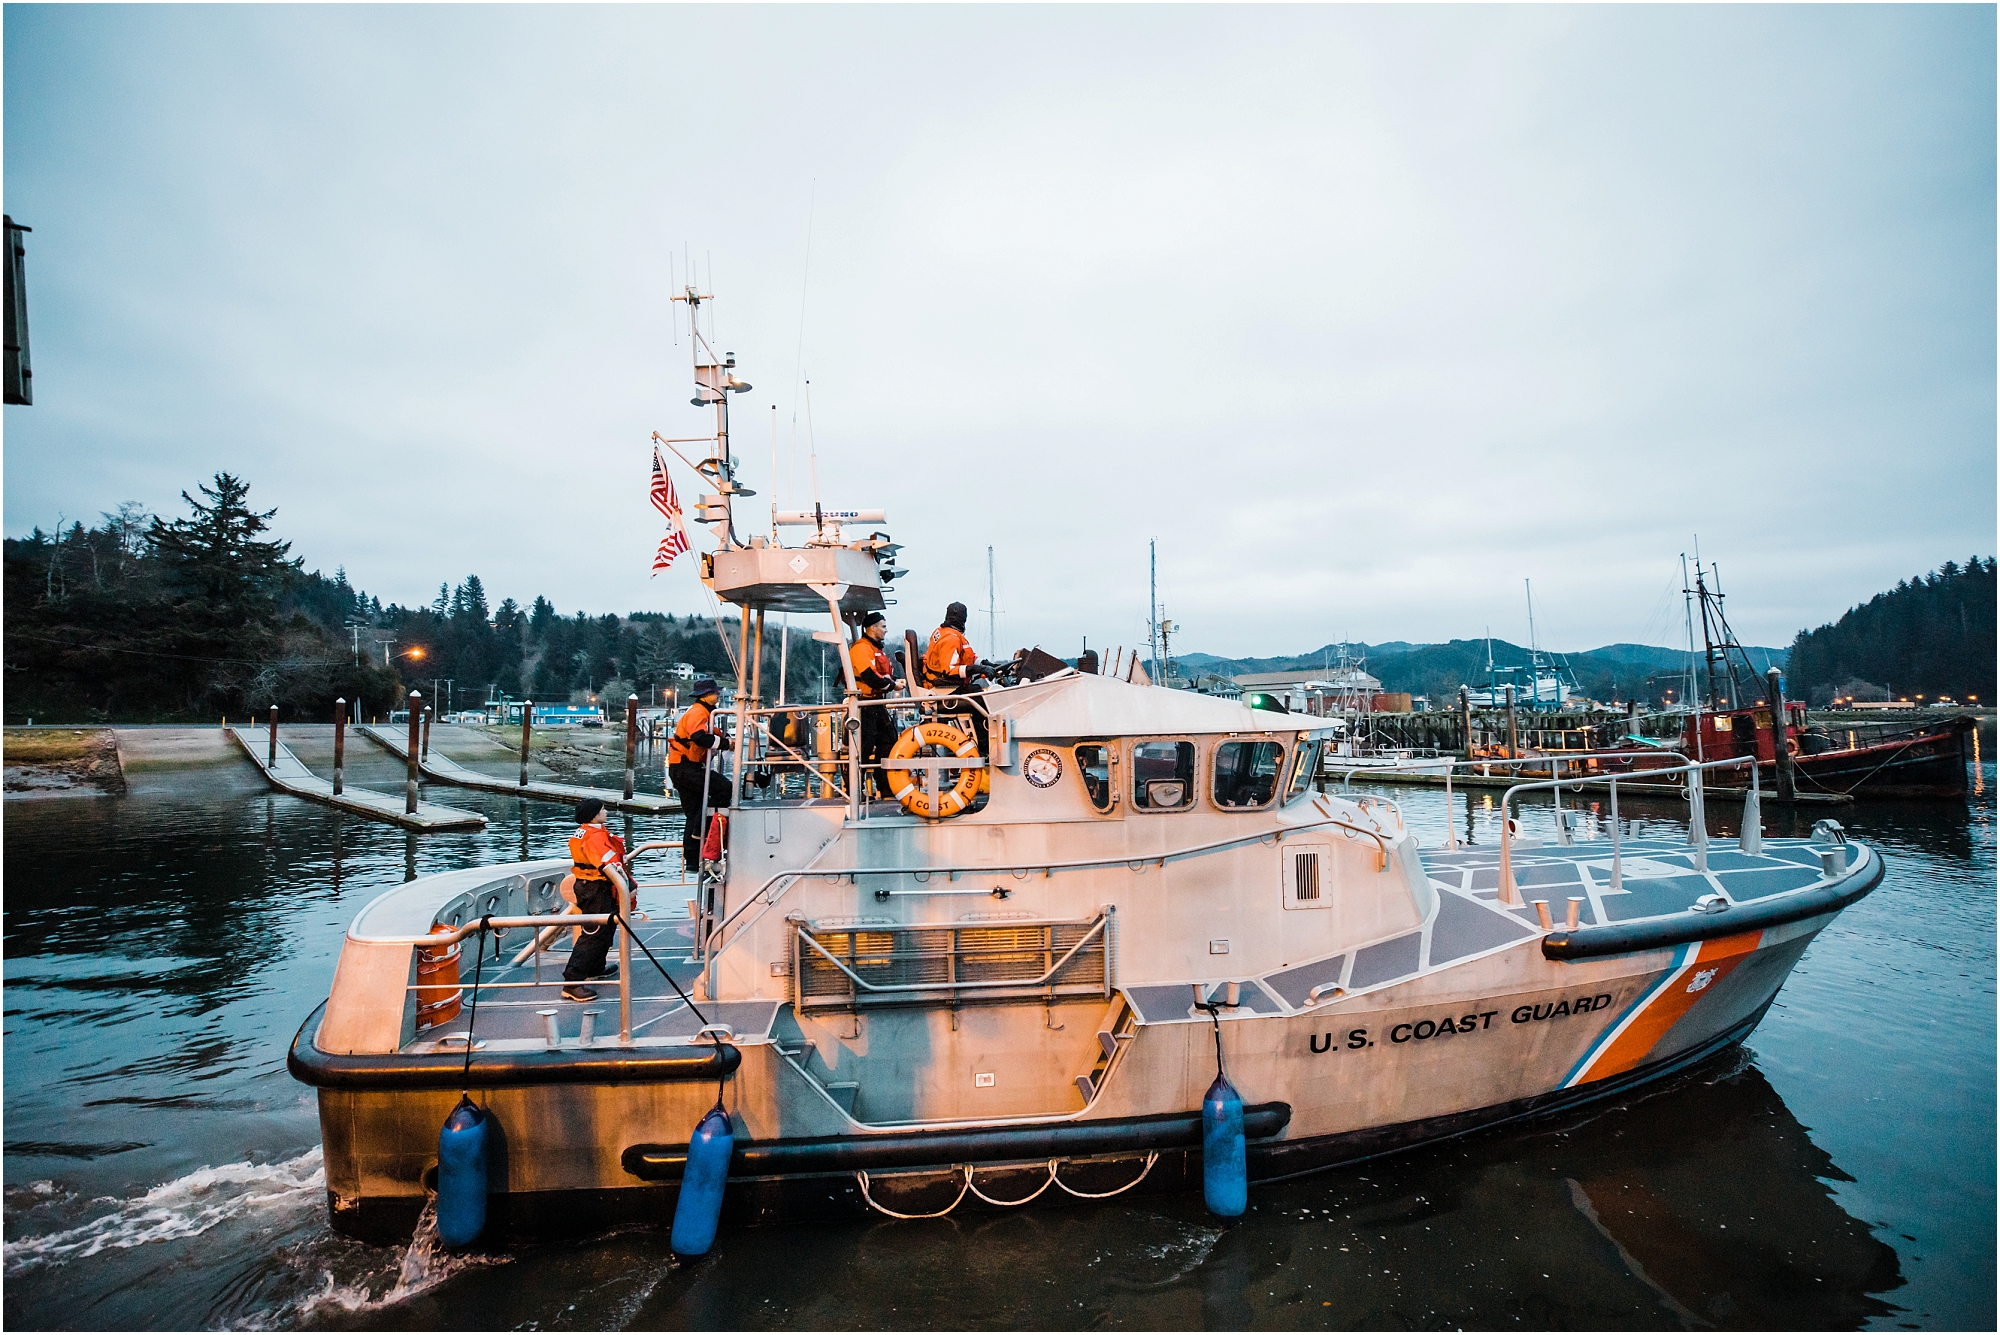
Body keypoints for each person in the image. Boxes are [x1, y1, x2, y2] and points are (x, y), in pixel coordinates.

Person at [562, 798, 626, 1002]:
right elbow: (608, 864)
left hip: (591, 885)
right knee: (594, 933)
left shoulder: (584, 832)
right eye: (603, 809)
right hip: (595, 887)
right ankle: (573, 982)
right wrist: (627, 884)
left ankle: (595, 967)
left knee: (605, 928)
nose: (606, 811)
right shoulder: (595, 837)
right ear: (594, 814)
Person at [667, 678, 733, 871]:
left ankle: (693, 860)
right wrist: (726, 744)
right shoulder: (698, 712)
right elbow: (699, 737)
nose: (718, 695)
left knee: (693, 812)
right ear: (706, 695)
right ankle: (700, 828)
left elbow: (712, 734)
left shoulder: (703, 713)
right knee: (724, 788)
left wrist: (724, 738)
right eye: (715, 692)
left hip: (682, 768)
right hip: (686, 768)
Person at [848, 611, 901, 798]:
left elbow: (881, 675)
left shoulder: (876, 649)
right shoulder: (860, 649)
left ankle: (886, 788)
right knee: (862, 748)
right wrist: (893, 685)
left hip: (877, 705)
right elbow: (869, 677)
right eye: (883, 626)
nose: (886, 630)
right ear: (872, 628)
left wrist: (894, 681)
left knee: (889, 743)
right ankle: (853, 791)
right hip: (863, 705)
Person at [923, 601, 987, 751]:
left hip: (943, 686)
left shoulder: (945, 632)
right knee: (983, 701)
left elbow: (966, 656)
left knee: (977, 689)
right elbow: (949, 669)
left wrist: (984, 664)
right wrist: (975, 669)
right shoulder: (951, 638)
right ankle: (985, 748)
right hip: (945, 690)